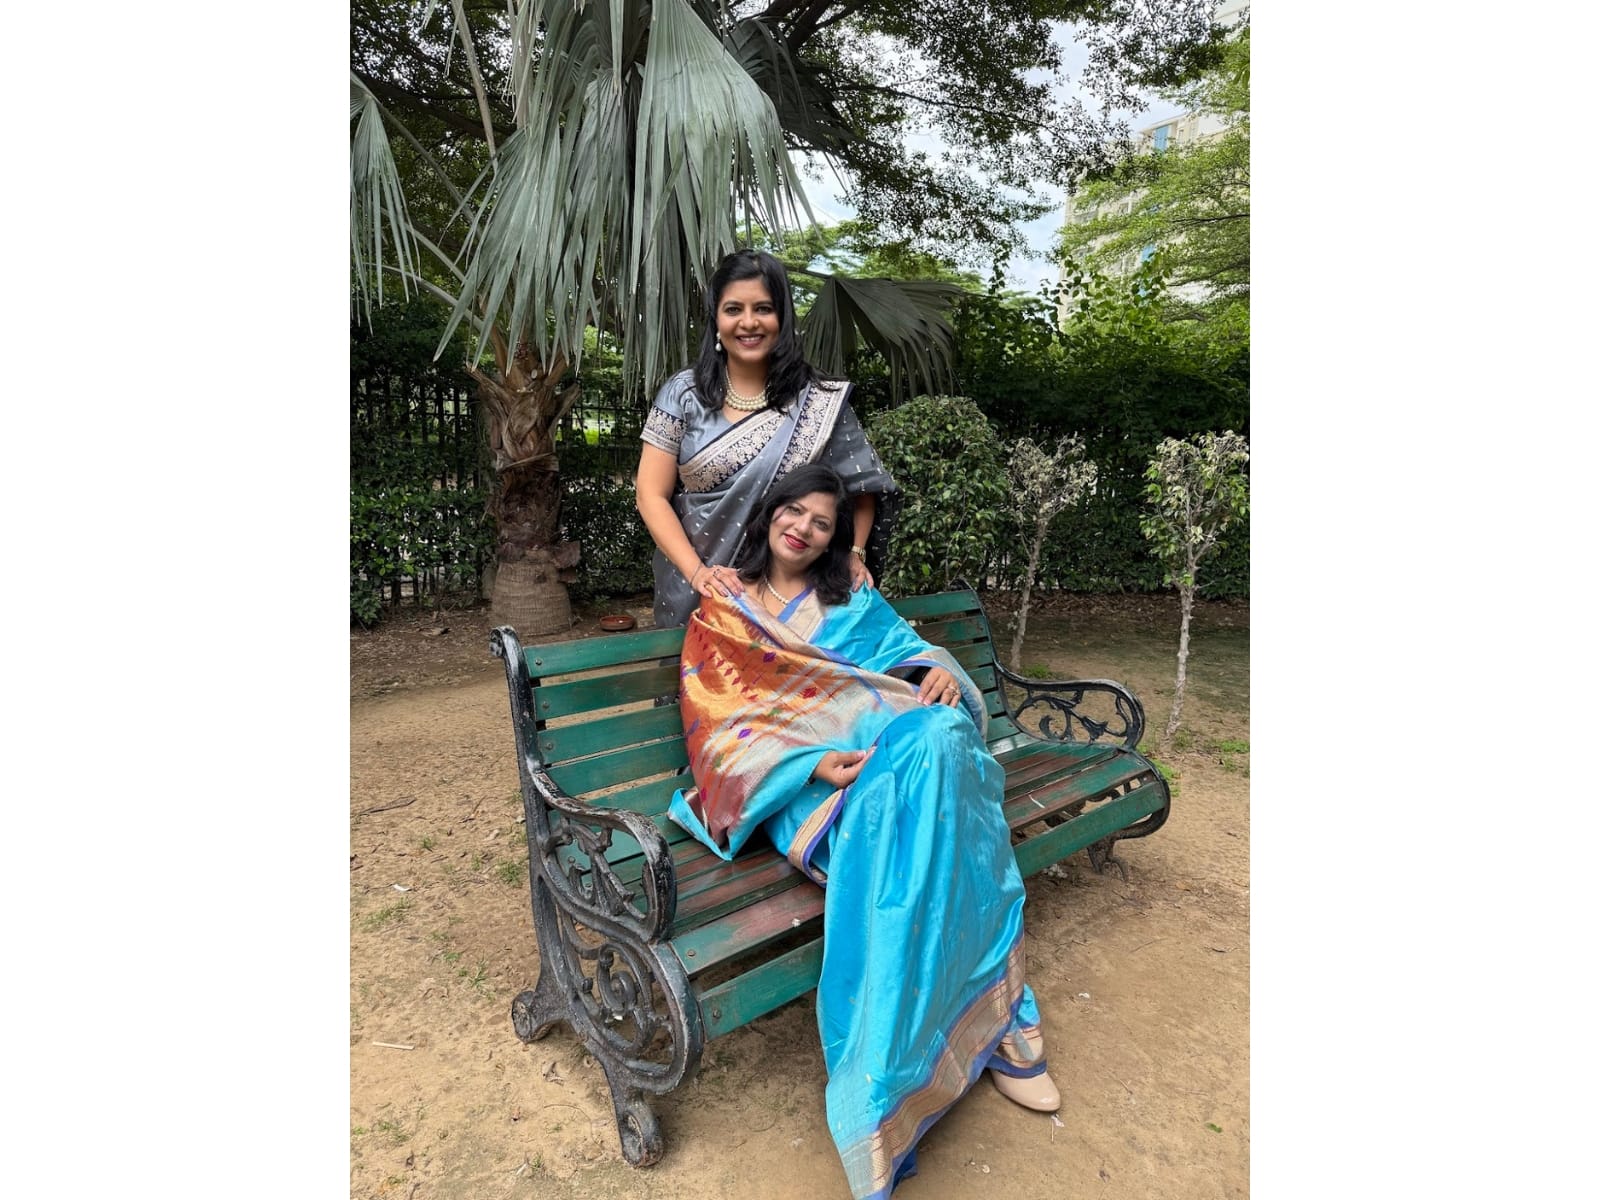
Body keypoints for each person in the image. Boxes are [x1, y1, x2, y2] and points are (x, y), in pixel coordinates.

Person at [668, 464, 1060, 1200]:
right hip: (804, 787)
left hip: (890, 765)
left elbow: (905, 656)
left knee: (940, 733)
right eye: (795, 512)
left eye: (822, 523)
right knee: (928, 819)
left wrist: (936, 672)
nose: (804, 529)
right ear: (770, 513)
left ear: (834, 538)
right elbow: (717, 734)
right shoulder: (723, 609)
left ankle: (903, 1066)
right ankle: (1002, 1022)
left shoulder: (851, 597)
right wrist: (810, 764)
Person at [635, 249, 898, 629]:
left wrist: (855, 552)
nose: (748, 322)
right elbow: (650, 494)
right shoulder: (683, 394)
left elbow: (862, 489)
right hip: (696, 590)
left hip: (790, 599)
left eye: (763, 308)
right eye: (733, 309)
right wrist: (698, 573)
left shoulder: (818, 398)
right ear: (716, 319)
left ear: (782, 317)